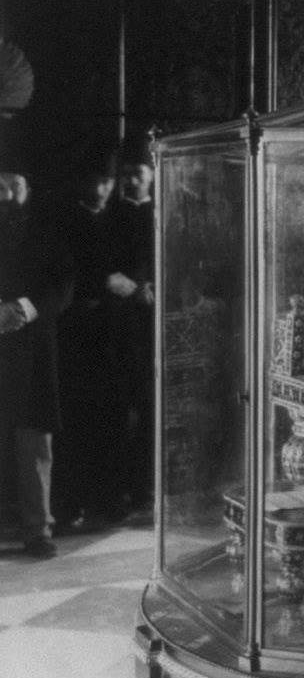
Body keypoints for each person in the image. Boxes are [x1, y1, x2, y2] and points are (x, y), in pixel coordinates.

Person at [0, 133, 74, 557]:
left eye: (16, 185)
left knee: (34, 439)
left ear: (29, 187)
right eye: (1, 185)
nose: (8, 194)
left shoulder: (50, 229)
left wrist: (23, 309)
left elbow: (62, 285)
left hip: (32, 346)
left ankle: (38, 528)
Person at [53, 146, 130, 530]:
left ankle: (108, 498)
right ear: (82, 181)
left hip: (112, 333)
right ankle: (71, 504)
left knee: (112, 416)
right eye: (96, 181)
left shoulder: (117, 219)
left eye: (108, 182)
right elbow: (61, 276)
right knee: (76, 419)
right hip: (76, 333)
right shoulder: (65, 220)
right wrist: (104, 281)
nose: (102, 189)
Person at [108, 134, 156, 517]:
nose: (131, 180)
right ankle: (116, 493)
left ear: (153, 174)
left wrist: (157, 288)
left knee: (151, 410)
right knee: (117, 411)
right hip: (115, 330)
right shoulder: (108, 217)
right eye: (125, 174)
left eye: (138, 173)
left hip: (155, 329)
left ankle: (146, 490)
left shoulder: (164, 214)